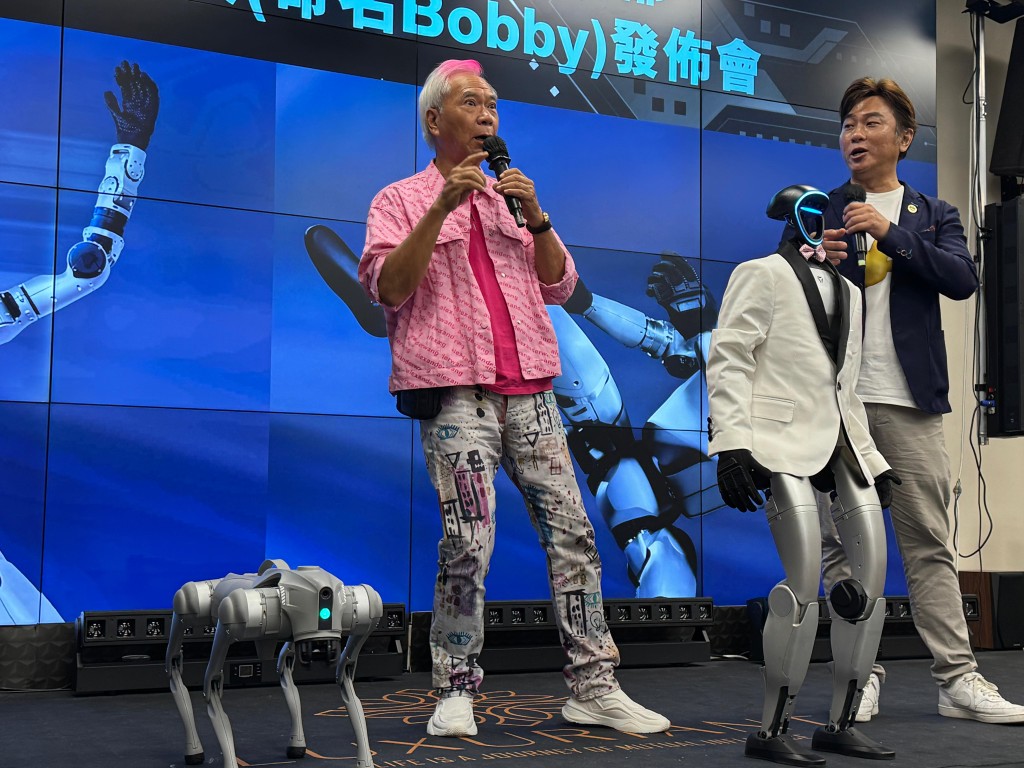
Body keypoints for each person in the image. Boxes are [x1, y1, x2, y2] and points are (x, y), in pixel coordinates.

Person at [358, 58, 670, 738]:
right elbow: (388, 287)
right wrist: (441, 207)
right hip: (455, 396)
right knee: (468, 542)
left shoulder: (511, 198)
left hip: (532, 392)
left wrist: (539, 217)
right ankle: (454, 688)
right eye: (472, 103)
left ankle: (594, 687)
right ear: (434, 121)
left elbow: (560, 285)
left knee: (575, 537)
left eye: (493, 104)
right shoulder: (399, 199)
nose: (488, 115)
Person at [802, 76, 1024, 724]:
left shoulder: (934, 214)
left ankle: (957, 680)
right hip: (834, 404)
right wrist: (815, 262)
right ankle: (858, 674)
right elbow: (786, 301)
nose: (855, 134)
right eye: (848, 124)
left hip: (909, 401)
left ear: (904, 139)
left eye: (870, 123)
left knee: (928, 541)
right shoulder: (816, 210)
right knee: (841, 546)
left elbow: (961, 279)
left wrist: (890, 234)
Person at [708, 184, 898, 765]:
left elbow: (847, 386)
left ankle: (841, 721)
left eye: (825, 213)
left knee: (869, 588)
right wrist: (732, 444)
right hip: (779, 441)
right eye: (808, 212)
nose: (818, 221)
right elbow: (730, 357)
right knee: (803, 585)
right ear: (791, 219)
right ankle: (772, 729)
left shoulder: (851, 291)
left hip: (841, 443)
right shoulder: (760, 273)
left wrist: (874, 460)